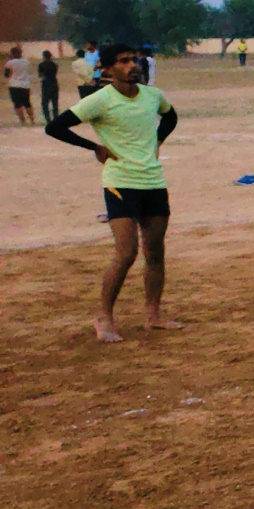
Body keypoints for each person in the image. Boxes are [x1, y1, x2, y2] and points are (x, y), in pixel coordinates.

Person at [43, 43, 184, 342]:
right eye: (123, 61)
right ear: (107, 69)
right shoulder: (100, 101)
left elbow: (170, 117)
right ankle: (104, 318)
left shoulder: (152, 95)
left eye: (134, 59)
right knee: (127, 252)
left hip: (153, 181)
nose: (133, 65)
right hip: (120, 181)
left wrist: (157, 142)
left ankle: (153, 315)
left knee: (155, 251)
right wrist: (94, 147)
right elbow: (55, 127)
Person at [5, 44, 30, 123]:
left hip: (14, 84)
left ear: (12, 53)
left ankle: (22, 120)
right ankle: (32, 119)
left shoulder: (10, 63)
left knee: (17, 103)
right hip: (25, 84)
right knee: (27, 102)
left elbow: (6, 75)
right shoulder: (26, 61)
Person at [36, 48, 59, 123]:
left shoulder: (41, 65)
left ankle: (48, 119)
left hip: (46, 84)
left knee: (45, 103)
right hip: (54, 83)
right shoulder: (54, 65)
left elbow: (40, 75)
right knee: (55, 103)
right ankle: (56, 118)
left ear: (44, 56)